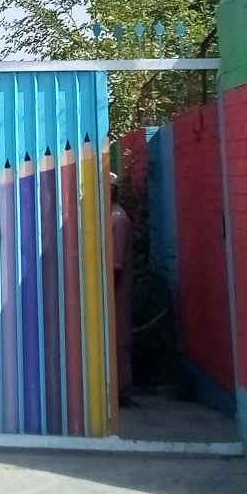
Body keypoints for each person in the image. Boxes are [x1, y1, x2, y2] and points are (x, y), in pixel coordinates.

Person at [110, 172, 134, 405]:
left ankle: (122, 392)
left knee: (119, 340)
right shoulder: (110, 216)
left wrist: (107, 295)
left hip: (116, 291)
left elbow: (116, 264)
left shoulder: (117, 219)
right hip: (113, 290)